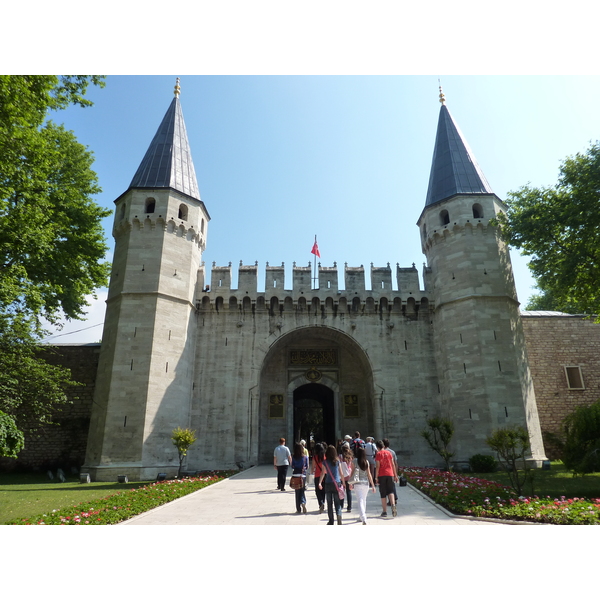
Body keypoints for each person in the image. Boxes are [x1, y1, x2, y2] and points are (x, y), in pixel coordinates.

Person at [348, 446, 376, 524]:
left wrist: (350, 483)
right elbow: (369, 474)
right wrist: (373, 485)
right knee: (363, 499)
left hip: (357, 483)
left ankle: (363, 517)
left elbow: (352, 473)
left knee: (360, 500)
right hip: (366, 483)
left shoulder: (354, 461)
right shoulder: (366, 462)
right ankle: (362, 516)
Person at [318, 444, 344, 525]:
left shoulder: (325, 462)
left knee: (329, 503)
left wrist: (319, 482)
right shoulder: (337, 461)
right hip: (337, 483)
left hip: (328, 483)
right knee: (337, 502)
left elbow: (323, 473)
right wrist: (343, 482)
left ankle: (331, 520)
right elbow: (341, 473)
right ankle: (339, 515)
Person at [375, 439, 398, 517]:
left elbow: (377, 466)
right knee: (391, 491)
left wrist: (376, 477)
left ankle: (384, 511)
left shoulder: (378, 454)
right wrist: (395, 475)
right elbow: (393, 464)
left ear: (377, 447)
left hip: (382, 475)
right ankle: (393, 505)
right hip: (390, 474)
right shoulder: (389, 453)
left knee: (383, 493)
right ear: (383, 446)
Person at [291, 442, 309, 513]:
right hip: (303, 475)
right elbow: (307, 466)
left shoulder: (294, 457)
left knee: (297, 492)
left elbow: (292, 466)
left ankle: (298, 509)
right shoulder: (305, 457)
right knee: (302, 490)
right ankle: (303, 502)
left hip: (295, 475)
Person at [311, 442, 326, 513]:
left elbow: (313, 467)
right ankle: (323, 501)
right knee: (323, 490)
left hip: (317, 475)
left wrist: (311, 473)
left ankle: (321, 503)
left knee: (317, 491)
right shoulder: (325, 456)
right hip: (325, 475)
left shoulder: (315, 457)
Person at [383, 438, 399, 506]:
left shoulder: (382, 452)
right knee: (392, 485)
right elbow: (395, 463)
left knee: (387, 487)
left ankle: (391, 500)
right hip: (392, 471)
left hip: (384, 471)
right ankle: (394, 498)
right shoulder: (392, 452)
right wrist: (396, 473)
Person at [339, 443, 354, 512]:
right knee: (349, 492)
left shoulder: (340, 457)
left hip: (342, 476)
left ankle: (341, 505)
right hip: (349, 475)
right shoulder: (350, 456)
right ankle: (349, 507)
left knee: (341, 491)